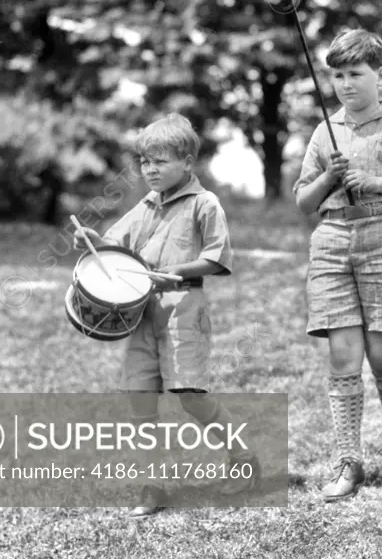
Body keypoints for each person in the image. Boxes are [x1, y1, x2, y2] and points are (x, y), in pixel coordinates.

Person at [73, 112, 258, 517]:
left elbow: (216, 257)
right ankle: (152, 484)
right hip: (141, 312)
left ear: (187, 163)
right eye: (144, 161)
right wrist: (91, 241)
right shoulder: (143, 207)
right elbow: (112, 245)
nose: (150, 169)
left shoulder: (204, 204)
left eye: (160, 161)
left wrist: (178, 271)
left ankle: (243, 457)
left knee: (190, 396)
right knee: (140, 399)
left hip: (184, 309)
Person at [294, 29, 382, 502]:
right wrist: (329, 178)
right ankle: (348, 460)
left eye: (355, 74)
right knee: (342, 355)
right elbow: (303, 201)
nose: (345, 84)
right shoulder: (324, 131)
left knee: (381, 353)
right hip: (333, 238)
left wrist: (376, 181)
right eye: (336, 75)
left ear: (380, 75)